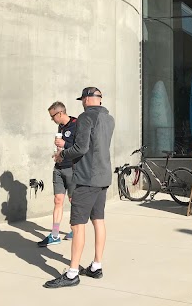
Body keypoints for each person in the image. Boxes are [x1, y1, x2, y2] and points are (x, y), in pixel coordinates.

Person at [43, 87, 115, 289]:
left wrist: (61, 155)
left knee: (77, 224)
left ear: (85, 100)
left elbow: (81, 148)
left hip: (86, 177)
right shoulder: (109, 119)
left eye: (82, 99)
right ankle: (96, 266)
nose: (82, 103)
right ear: (99, 100)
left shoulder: (84, 118)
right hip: (103, 176)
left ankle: (72, 272)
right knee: (98, 220)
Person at [38, 101, 77, 247]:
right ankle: (54, 234)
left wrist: (65, 145)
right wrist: (58, 153)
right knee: (58, 200)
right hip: (59, 167)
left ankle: (75, 229)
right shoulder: (60, 126)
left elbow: (82, 146)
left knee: (74, 200)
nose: (52, 120)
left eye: (52, 116)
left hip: (73, 169)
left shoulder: (77, 124)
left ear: (60, 113)